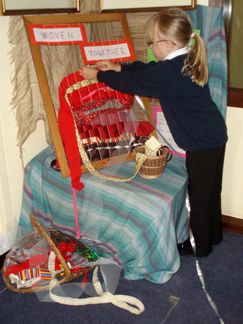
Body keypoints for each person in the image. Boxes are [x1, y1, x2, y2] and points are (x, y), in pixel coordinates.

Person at [79, 8, 228, 257]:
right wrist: (119, 67)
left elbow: (136, 82)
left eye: (152, 42)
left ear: (169, 43)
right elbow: (145, 70)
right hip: (212, 135)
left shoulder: (170, 72)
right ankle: (213, 235)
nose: (151, 47)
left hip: (202, 141)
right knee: (211, 191)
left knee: (200, 196)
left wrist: (99, 75)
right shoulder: (183, 60)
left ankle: (198, 245)